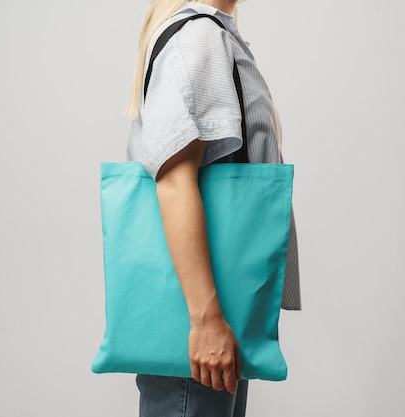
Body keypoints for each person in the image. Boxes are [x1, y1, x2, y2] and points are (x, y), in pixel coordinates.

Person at [125, 1, 301, 416]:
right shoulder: (198, 36)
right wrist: (205, 323)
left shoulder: (213, 33)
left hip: (214, 319)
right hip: (200, 324)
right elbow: (174, 181)